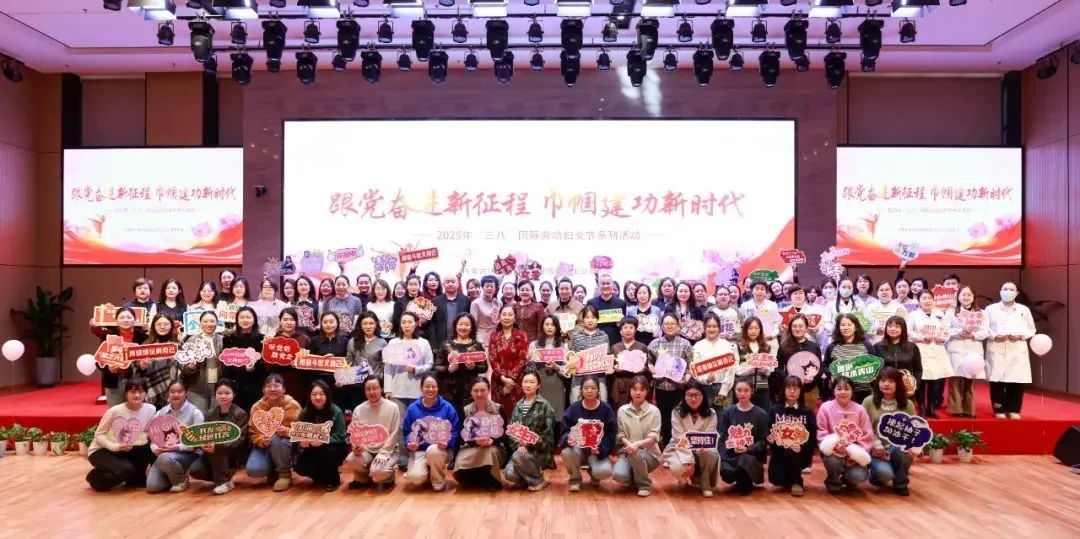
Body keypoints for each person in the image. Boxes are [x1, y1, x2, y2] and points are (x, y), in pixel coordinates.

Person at [85, 377, 156, 492]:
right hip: (102, 450)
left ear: (146, 393)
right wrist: (115, 446)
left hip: (128, 448)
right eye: (133, 391)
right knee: (125, 470)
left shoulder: (151, 409)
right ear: (126, 394)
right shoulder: (115, 411)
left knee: (147, 448)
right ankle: (95, 477)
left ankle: (135, 478)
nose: (137, 395)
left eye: (141, 391)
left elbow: (146, 432)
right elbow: (99, 435)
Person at [189, 379, 249, 495]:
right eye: (220, 393)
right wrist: (203, 445)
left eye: (227, 393)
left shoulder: (240, 413)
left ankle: (223, 482)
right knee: (195, 470)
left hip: (233, 453)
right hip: (212, 454)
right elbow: (203, 435)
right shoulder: (210, 413)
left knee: (217, 448)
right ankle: (224, 477)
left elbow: (240, 440)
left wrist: (217, 445)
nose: (223, 396)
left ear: (234, 394)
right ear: (215, 395)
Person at [863, 367, 916, 496]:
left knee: (898, 449)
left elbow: (914, 429)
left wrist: (914, 447)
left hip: (899, 449)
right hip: (877, 450)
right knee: (884, 475)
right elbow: (863, 427)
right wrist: (875, 444)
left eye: (891, 381)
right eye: (883, 380)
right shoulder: (869, 401)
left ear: (898, 384)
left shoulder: (908, 404)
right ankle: (876, 475)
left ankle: (901, 484)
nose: (886, 384)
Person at [986, 282, 1036, 420]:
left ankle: (1013, 409)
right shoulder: (991, 309)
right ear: (1000, 291)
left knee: (1016, 380)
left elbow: (1031, 329)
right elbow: (985, 327)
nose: (1008, 291)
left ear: (1017, 293)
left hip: (1017, 348)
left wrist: (1021, 336)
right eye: (1005, 289)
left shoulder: (1023, 310)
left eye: (1011, 289)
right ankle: (999, 409)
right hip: (997, 347)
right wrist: (995, 336)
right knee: (997, 379)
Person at [817, 376, 874, 494]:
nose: (843, 392)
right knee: (833, 461)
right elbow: (821, 431)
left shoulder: (860, 410)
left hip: (854, 453)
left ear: (852, 391)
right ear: (833, 390)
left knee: (857, 476)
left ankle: (848, 480)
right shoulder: (825, 408)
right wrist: (834, 445)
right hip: (834, 451)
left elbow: (867, 435)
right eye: (839, 388)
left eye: (847, 389)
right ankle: (833, 481)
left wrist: (854, 452)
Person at [662, 379, 719, 497]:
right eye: (689, 395)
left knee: (709, 454)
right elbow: (679, 438)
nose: (693, 399)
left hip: (702, 448)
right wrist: (690, 461)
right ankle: (683, 477)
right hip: (680, 447)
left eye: (697, 395)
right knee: (680, 468)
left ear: (703, 396)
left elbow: (708, 437)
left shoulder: (711, 413)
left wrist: (703, 448)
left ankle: (705, 484)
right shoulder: (676, 412)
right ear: (684, 396)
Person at [246, 373, 302, 492]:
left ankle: (284, 474)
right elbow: (252, 432)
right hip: (264, 447)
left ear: (284, 389)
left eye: (276, 385)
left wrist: (288, 432)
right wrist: (261, 440)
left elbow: (302, 430)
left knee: (277, 439)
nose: (272, 389)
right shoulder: (257, 407)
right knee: (254, 470)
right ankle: (273, 470)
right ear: (263, 390)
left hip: (287, 445)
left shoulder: (293, 405)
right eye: (268, 386)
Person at [559, 376, 617, 492]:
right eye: (586, 388)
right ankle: (575, 480)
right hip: (577, 450)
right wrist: (567, 439)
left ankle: (594, 473)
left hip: (596, 452)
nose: (589, 391)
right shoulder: (573, 408)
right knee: (566, 452)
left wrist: (601, 449)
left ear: (598, 390)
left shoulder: (606, 409)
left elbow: (611, 434)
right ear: (581, 390)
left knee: (604, 472)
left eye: (593, 388)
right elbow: (564, 430)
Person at [147, 379, 205, 493]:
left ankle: (180, 480)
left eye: (179, 391)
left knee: (164, 458)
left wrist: (176, 447)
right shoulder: (161, 413)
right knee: (153, 486)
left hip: (189, 454)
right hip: (163, 454)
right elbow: (153, 438)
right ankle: (173, 472)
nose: (176, 394)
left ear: (186, 393)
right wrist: (156, 449)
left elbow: (197, 441)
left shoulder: (195, 413)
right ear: (168, 393)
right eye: (172, 392)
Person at [403, 375, 460, 491]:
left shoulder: (448, 408)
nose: (430, 389)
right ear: (421, 388)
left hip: (441, 450)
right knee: (415, 478)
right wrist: (410, 443)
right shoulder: (412, 408)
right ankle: (426, 472)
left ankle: (438, 481)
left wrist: (448, 443)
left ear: (438, 388)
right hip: (420, 450)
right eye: (427, 386)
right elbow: (407, 431)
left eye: (434, 386)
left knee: (433, 451)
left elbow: (455, 431)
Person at [503, 370, 557, 491]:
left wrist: (530, 443)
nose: (528, 385)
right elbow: (512, 431)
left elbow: (548, 435)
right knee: (509, 474)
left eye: (532, 382)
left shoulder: (545, 406)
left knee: (517, 456)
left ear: (538, 385)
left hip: (539, 452)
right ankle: (530, 475)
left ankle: (538, 481)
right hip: (521, 450)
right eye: (525, 382)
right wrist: (519, 445)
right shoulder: (518, 405)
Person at [346, 375, 401, 490]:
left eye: (375, 388)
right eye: (368, 389)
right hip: (367, 450)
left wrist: (383, 454)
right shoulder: (358, 409)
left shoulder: (393, 407)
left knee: (378, 472)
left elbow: (394, 435)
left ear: (381, 389)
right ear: (364, 391)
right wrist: (356, 446)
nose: (372, 392)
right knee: (351, 459)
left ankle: (389, 478)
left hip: (388, 450)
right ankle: (362, 479)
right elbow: (355, 434)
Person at [648, 313, 694, 447]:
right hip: (661, 388)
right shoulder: (654, 343)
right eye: (666, 324)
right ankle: (666, 447)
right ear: (662, 326)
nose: (669, 326)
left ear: (678, 326)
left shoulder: (685, 344)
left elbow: (691, 365)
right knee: (664, 419)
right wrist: (653, 370)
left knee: (680, 418)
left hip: (679, 389)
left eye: (672, 323)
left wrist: (686, 379)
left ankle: (680, 446)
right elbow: (649, 362)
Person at [718, 377, 769, 496]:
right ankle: (740, 478)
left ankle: (746, 479)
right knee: (727, 474)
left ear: (752, 391)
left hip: (751, 456)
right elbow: (723, 435)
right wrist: (731, 446)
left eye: (746, 390)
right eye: (739, 390)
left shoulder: (761, 414)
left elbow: (763, 440)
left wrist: (748, 449)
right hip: (732, 454)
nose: (742, 393)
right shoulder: (728, 412)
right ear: (734, 391)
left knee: (744, 490)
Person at [294, 380, 349, 491]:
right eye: (314, 394)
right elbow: (298, 434)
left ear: (327, 395)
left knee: (327, 452)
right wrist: (302, 443)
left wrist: (323, 440)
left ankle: (333, 480)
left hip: (334, 447)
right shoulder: (305, 412)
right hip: (312, 448)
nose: (318, 397)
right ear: (309, 396)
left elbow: (340, 436)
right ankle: (321, 476)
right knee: (299, 466)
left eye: (321, 394)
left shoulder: (336, 411)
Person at [453, 377, 507, 491]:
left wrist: (493, 440)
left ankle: (492, 480)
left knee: (489, 453)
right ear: (471, 392)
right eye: (476, 391)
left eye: (483, 390)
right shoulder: (466, 410)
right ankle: (477, 478)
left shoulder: (498, 408)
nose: (479, 394)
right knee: (462, 464)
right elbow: (462, 435)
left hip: (494, 446)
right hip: (471, 446)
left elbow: (505, 433)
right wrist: (474, 440)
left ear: (488, 390)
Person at [767, 376, 817, 497]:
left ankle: (797, 481)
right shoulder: (775, 410)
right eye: (789, 388)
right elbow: (768, 432)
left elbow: (813, 437)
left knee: (792, 452)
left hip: (799, 453)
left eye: (796, 388)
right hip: (779, 452)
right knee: (776, 479)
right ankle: (788, 477)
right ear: (783, 390)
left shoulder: (807, 412)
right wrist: (770, 439)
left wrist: (802, 447)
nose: (792, 391)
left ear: (801, 391)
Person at [612, 376, 662, 497]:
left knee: (636, 454)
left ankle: (644, 485)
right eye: (634, 389)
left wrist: (637, 445)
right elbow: (620, 434)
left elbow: (654, 437)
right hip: (628, 451)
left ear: (647, 391)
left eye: (642, 389)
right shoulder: (622, 410)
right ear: (630, 391)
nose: (638, 392)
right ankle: (637, 474)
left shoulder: (654, 411)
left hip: (650, 454)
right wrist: (630, 445)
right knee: (619, 476)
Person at [907, 290, 953, 417]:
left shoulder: (940, 314)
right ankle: (921, 408)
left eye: (929, 298)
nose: (927, 300)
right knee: (921, 380)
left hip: (937, 349)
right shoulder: (913, 315)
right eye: (924, 298)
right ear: (919, 301)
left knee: (935, 381)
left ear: (933, 300)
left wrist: (943, 338)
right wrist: (922, 338)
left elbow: (946, 330)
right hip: (920, 349)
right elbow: (908, 332)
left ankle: (931, 408)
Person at [89, 306, 148, 406]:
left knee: (136, 411)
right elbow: (99, 361)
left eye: (129, 317)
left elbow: (149, 361)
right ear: (116, 321)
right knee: (116, 412)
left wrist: (143, 366)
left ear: (135, 320)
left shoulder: (144, 338)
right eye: (122, 317)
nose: (126, 320)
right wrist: (109, 368)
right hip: (114, 381)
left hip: (137, 380)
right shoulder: (108, 337)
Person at [946, 285, 989, 417]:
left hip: (973, 350)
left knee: (970, 380)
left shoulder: (981, 313)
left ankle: (969, 409)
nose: (966, 297)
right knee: (955, 380)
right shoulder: (951, 312)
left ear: (973, 297)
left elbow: (985, 331)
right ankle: (956, 409)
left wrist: (973, 335)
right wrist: (959, 332)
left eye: (969, 295)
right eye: (963, 294)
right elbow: (945, 329)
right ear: (958, 297)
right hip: (956, 348)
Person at [435, 313, 489, 416]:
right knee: (450, 419)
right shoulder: (446, 345)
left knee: (469, 420)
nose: (463, 327)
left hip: (470, 391)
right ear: (455, 326)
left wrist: (474, 367)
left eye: (467, 324)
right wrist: (448, 369)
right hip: (449, 391)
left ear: (472, 327)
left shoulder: (476, 346)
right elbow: (436, 367)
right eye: (460, 324)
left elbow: (484, 367)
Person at [873, 316, 925, 415]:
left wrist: (915, 387)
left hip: (905, 389)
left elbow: (918, 369)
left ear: (903, 329)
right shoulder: (878, 347)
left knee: (903, 418)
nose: (893, 329)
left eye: (897, 326)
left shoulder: (912, 347)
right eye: (890, 326)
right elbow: (874, 370)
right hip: (885, 389)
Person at [528, 315, 571, 427]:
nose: (549, 327)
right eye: (546, 324)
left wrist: (557, 367)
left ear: (557, 327)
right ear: (542, 327)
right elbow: (529, 369)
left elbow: (568, 371)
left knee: (556, 418)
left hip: (557, 385)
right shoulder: (533, 345)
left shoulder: (564, 346)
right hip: (540, 385)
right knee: (540, 418)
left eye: (552, 325)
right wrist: (529, 360)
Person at [221, 306, 266, 411]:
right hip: (236, 385)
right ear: (237, 320)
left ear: (254, 319)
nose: (245, 320)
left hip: (256, 384)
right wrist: (243, 368)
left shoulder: (262, 339)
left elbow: (265, 364)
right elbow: (226, 365)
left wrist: (255, 366)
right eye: (242, 317)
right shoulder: (229, 339)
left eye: (248, 317)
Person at [178, 311, 224, 412]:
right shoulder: (192, 340)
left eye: (212, 321)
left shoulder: (223, 340)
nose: (209, 324)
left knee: (216, 416)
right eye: (205, 321)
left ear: (217, 322)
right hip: (197, 386)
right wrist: (190, 367)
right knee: (199, 415)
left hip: (219, 385)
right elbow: (182, 362)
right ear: (200, 323)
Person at [489, 305, 529, 420]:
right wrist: (503, 378)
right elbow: (493, 358)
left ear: (515, 318)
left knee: (517, 415)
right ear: (499, 317)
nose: (507, 317)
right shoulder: (494, 335)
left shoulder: (522, 335)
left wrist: (511, 379)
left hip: (517, 381)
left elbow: (522, 359)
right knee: (499, 416)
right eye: (504, 314)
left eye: (510, 315)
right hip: (498, 381)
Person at [822, 314, 874, 401]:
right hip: (841, 391)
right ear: (838, 328)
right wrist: (831, 373)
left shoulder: (867, 345)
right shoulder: (832, 346)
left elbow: (874, 365)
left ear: (856, 327)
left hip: (863, 390)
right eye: (842, 325)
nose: (846, 328)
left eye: (849, 324)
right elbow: (825, 366)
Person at [776, 313, 824, 410]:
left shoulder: (814, 347)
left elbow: (820, 369)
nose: (797, 329)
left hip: (809, 390)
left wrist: (813, 378)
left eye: (801, 326)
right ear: (790, 328)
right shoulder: (784, 346)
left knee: (808, 416)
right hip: (790, 390)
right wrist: (788, 378)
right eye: (794, 326)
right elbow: (777, 368)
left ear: (806, 328)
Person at [692, 314, 737, 411]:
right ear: (704, 328)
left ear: (719, 328)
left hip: (724, 388)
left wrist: (724, 390)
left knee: (723, 416)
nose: (711, 329)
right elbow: (695, 370)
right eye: (709, 326)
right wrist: (705, 380)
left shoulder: (727, 345)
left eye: (715, 326)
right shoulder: (698, 346)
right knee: (705, 416)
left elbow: (731, 369)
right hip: (704, 389)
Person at [307, 312, 351, 408]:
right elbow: (309, 364)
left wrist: (343, 378)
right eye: (325, 322)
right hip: (319, 382)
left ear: (337, 323)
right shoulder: (314, 340)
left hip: (338, 383)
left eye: (331, 322)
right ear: (321, 324)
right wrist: (322, 360)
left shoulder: (345, 341)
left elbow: (349, 363)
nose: (328, 325)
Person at [568, 305, 611, 403]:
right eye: (587, 317)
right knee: (576, 405)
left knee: (602, 404)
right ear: (583, 319)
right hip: (578, 378)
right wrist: (572, 365)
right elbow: (571, 355)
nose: (590, 320)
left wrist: (609, 367)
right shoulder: (575, 335)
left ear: (597, 319)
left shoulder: (604, 336)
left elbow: (607, 356)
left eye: (593, 317)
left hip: (599, 378)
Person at [138, 313, 179, 409]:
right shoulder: (146, 345)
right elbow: (137, 370)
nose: (162, 327)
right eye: (159, 324)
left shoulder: (178, 344)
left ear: (171, 326)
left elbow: (184, 368)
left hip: (175, 390)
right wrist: (141, 366)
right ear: (153, 326)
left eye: (166, 324)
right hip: (151, 389)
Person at [611, 317, 653, 409]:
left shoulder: (642, 347)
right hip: (620, 385)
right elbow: (611, 367)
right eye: (625, 327)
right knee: (620, 410)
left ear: (635, 330)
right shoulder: (615, 347)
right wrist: (614, 369)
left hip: (638, 385)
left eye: (631, 327)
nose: (628, 330)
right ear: (621, 331)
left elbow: (647, 367)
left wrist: (642, 369)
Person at [735, 316, 775, 409]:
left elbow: (771, 367)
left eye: (756, 328)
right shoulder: (739, 346)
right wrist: (745, 371)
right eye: (750, 328)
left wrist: (767, 371)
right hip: (744, 389)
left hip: (763, 388)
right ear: (745, 329)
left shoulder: (766, 347)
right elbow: (735, 368)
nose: (753, 331)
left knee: (763, 414)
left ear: (760, 330)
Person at [270, 308, 310, 398]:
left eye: (292, 319)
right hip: (279, 382)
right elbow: (268, 365)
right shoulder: (273, 339)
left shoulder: (305, 339)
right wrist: (287, 363)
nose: (288, 322)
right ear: (280, 321)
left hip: (299, 382)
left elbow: (310, 363)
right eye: (285, 319)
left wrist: (300, 364)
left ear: (296, 321)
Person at [430, 274, 473, 352]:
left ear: (458, 284)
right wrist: (433, 343)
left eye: (453, 282)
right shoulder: (435, 302)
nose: (450, 284)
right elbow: (432, 324)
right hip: (441, 342)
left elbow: (471, 322)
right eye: (447, 282)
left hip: (463, 342)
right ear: (443, 284)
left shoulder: (466, 300)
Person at [586, 273, 627, 345]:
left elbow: (623, 326)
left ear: (612, 285)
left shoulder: (621, 303)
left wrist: (621, 323)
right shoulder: (591, 303)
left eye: (608, 283)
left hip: (616, 341)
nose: (605, 286)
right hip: (596, 340)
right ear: (598, 285)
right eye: (603, 284)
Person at [740, 281, 781, 352]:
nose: (759, 291)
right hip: (751, 341)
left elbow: (777, 322)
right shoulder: (745, 306)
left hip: (769, 340)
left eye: (762, 289)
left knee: (771, 358)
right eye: (757, 289)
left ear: (766, 292)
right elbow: (742, 324)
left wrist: (772, 335)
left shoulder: (772, 305)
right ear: (752, 291)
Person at [862, 281, 906, 345]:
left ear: (892, 292)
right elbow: (863, 327)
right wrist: (875, 330)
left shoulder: (900, 308)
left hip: (894, 344)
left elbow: (905, 327)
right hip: (873, 343)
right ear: (877, 293)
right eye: (881, 290)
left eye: (887, 289)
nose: (884, 292)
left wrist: (889, 331)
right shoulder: (870, 307)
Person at [470, 275, 502, 346]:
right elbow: (473, 325)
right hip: (482, 339)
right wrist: (478, 340)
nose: (489, 288)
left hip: (497, 338)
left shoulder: (499, 303)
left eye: (492, 286)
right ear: (482, 287)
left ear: (495, 288)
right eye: (487, 286)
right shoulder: (476, 303)